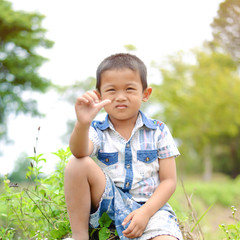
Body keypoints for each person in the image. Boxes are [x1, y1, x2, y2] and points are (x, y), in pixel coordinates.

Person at [64, 53, 183, 240]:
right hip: (109, 204)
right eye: (111, 90)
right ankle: (80, 236)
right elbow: (79, 151)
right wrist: (83, 123)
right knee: (76, 163)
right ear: (99, 95)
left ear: (145, 94)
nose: (120, 97)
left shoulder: (158, 130)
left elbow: (169, 181)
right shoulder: (97, 130)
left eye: (129, 89)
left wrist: (144, 214)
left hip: (151, 210)